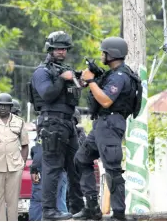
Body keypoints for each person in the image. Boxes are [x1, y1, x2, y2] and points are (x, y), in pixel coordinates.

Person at [74, 37, 141, 221]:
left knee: (112, 168)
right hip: (102, 123)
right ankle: (92, 208)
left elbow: (105, 100)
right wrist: (90, 80)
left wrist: (92, 82)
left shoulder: (120, 76)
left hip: (111, 124)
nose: (102, 55)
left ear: (111, 54)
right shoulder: (113, 74)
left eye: (104, 52)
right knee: (81, 159)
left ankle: (118, 214)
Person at [29, 31, 84, 220]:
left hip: (68, 123)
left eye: (64, 49)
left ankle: (78, 207)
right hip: (51, 122)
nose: (61, 52)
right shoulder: (42, 72)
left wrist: (79, 81)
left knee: (76, 165)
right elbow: (47, 95)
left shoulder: (64, 70)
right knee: (52, 167)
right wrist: (63, 79)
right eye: (57, 49)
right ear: (50, 49)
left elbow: (73, 97)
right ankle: (49, 211)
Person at [0, 93, 29, 221]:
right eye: (0, 105)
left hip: (14, 168)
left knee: (13, 202)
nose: (3, 108)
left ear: (11, 107)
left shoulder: (19, 122)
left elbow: (25, 145)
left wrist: (22, 165)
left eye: (6, 106)